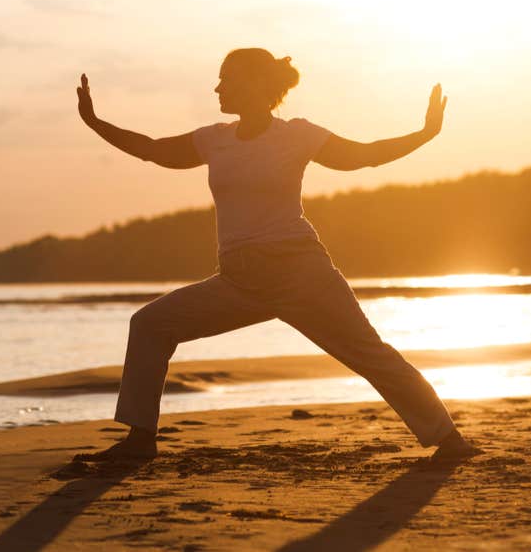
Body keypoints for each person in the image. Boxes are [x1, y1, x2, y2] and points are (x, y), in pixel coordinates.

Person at [72, 47, 482, 464]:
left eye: (226, 78)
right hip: (238, 281)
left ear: (254, 83)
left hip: (301, 273)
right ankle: (140, 441)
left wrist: (424, 133)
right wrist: (94, 122)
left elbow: (364, 156)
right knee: (150, 325)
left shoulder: (296, 135)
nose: (217, 87)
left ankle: (449, 440)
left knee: (370, 354)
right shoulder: (214, 140)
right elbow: (153, 149)